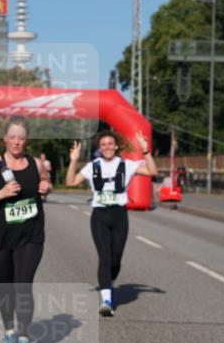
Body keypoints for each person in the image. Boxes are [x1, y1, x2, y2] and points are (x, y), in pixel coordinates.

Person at [0, 117, 52, 343]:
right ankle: (9, 330)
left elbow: (45, 179)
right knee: (6, 288)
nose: (17, 141)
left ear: (26, 140)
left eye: (21, 137)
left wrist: (45, 186)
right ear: (5, 139)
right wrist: (1, 193)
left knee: (23, 287)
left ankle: (24, 340)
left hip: (31, 235)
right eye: (13, 137)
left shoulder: (35, 163)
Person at [66, 130, 158, 316]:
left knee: (116, 260)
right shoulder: (93, 166)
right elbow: (71, 182)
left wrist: (146, 151)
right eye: (103, 144)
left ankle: (107, 281)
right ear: (100, 148)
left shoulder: (127, 165)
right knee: (105, 258)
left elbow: (152, 171)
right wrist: (74, 160)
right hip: (99, 215)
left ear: (115, 146)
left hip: (119, 216)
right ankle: (106, 301)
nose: (107, 147)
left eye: (110, 144)